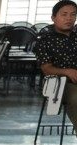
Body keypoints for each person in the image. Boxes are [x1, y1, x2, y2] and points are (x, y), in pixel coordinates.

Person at [34, 0, 77, 131]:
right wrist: (68, 72)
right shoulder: (45, 39)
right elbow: (46, 69)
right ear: (53, 18)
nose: (69, 18)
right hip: (58, 84)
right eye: (64, 14)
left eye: (73, 14)